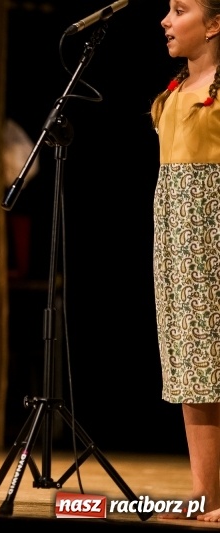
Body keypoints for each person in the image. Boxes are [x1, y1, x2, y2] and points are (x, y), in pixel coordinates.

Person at [152, 0, 220, 522]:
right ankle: (205, 495)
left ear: (214, 25)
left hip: (213, 228)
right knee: (193, 368)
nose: (167, 21)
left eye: (181, 10)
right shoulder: (172, 94)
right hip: (177, 233)